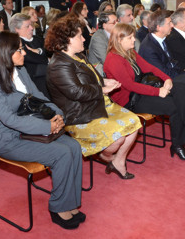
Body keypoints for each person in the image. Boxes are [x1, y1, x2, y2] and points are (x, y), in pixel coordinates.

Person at [0, 31, 84, 230]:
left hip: (32, 130)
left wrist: (57, 113)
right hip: (9, 140)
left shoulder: (19, 71)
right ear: (5, 53)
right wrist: (48, 125)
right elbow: (9, 119)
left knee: (74, 146)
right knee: (62, 153)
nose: (24, 53)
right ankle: (58, 208)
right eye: (19, 49)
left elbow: (37, 95)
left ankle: (70, 202)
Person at [104, 23, 185, 161]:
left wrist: (167, 79)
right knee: (175, 106)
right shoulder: (113, 59)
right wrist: (157, 91)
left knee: (180, 87)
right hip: (130, 100)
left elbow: (148, 67)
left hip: (141, 90)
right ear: (119, 40)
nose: (134, 40)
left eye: (133, 36)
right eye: (130, 37)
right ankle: (182, 141)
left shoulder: (129, 52)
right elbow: (130, 86)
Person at [46, 15, 141, 179]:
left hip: (97, 104)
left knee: (134, 123)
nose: (84, 39)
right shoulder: (59, 64)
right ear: (68, 40)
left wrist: (104, 80)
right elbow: (76, 92)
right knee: (117, 139)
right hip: (79, 114)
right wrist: (102, 89)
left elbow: (92, 77)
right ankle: (104, 155)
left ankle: (118, 161)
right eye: (79, 36)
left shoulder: (79, 56)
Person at [9, 13, 50, 97]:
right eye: (27, 26)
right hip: (34, 81)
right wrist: (47, 59)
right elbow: (28, 57)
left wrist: (38, 51)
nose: (32, 28)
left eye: (31, 25)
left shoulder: (38, 39)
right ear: (17, 29)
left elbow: (50, 50)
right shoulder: (15, 42)